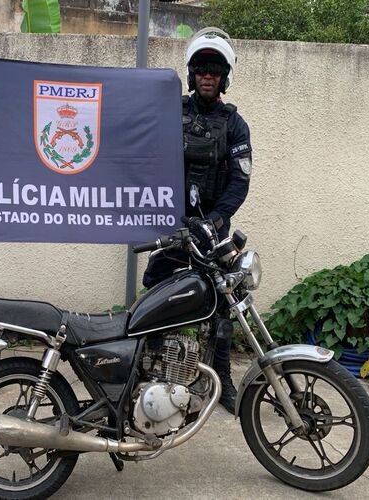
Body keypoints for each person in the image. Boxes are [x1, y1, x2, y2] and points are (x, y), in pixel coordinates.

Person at [142, 28, 252, 413]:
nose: (208, 75)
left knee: (225, 305)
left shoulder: (235, 125)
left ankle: (222, 380)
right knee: (156, 292)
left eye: (215, 70)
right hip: (175, 226)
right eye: (201, 69)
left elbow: (240, 181)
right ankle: (148, 370)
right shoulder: (171, 114)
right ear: (192, 75)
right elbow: (149, 161)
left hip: (212, 229)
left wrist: (218, 220)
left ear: (224, 77)